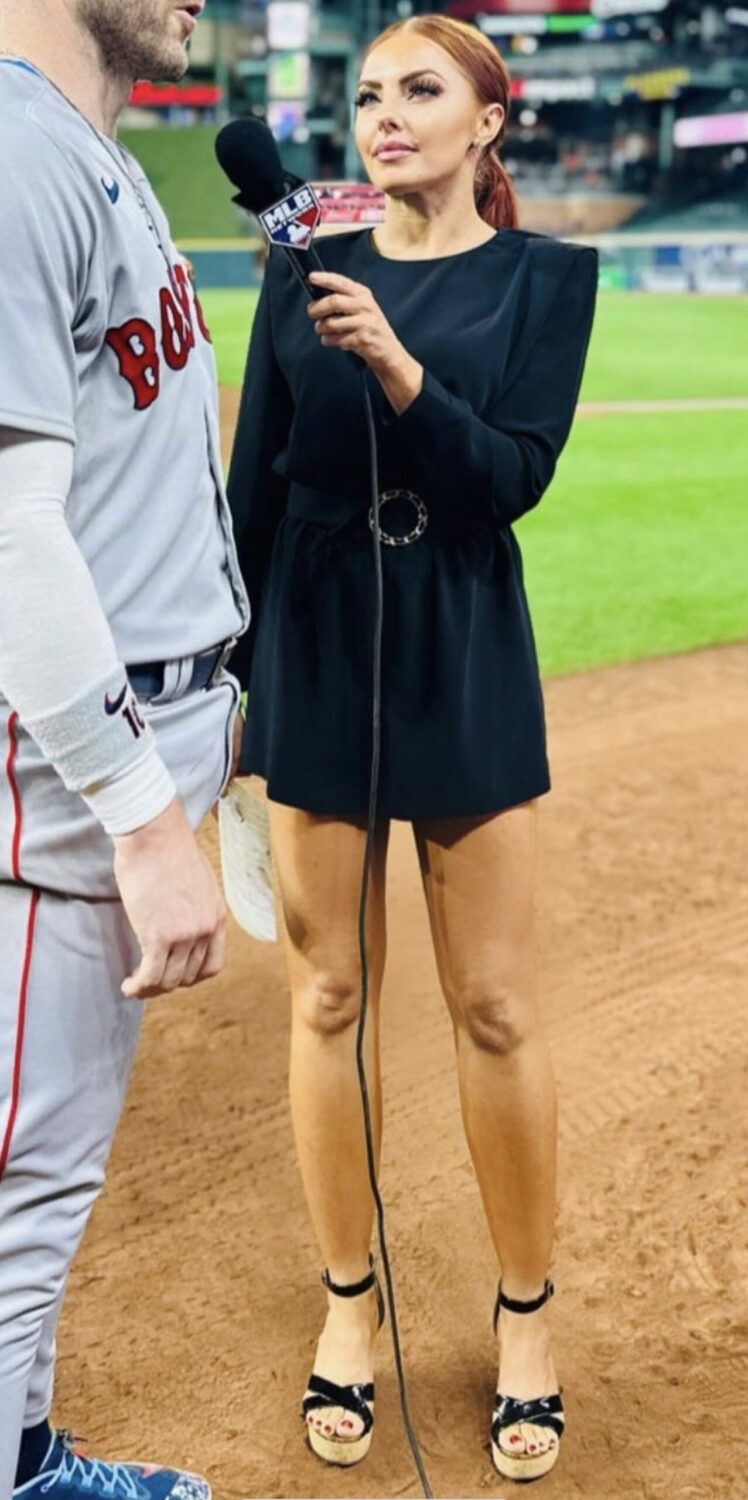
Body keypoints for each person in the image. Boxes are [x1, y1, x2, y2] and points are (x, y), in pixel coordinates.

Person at [228, 12, 597, 1484]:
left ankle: (526, 1321)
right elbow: (254, 486)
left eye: (420, 90)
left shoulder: (547, 279)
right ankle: (348, 1309)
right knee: (326, 997)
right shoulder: (300, 264)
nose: (384, 113)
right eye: (371, 92)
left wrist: (396, 367)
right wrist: (234, 693)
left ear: (487, 121)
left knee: (493, 1006)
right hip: (314, 638)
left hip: (459, 633)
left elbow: (509, 478)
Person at [0, 2, 249, 1496]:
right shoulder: (15, 146)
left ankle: (25, 1449)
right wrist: (146, 819)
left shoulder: (90, 147)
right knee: (25, 1179)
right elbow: (8, 531)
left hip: (118, 739)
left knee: (44, 1157)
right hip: (67, 770)